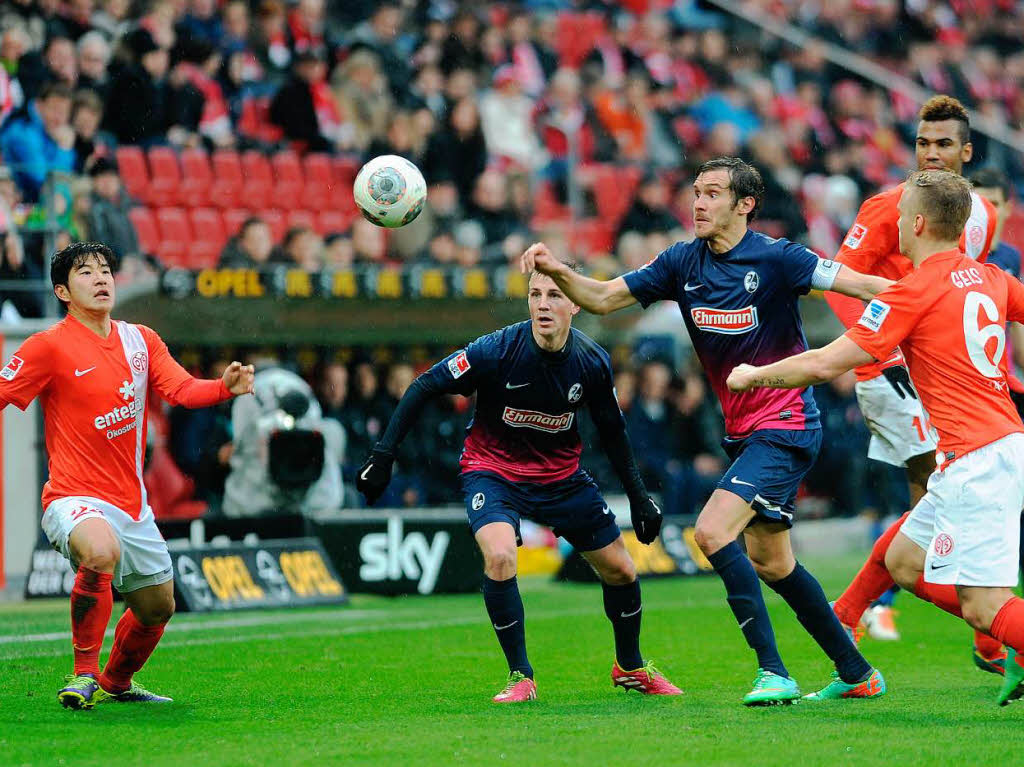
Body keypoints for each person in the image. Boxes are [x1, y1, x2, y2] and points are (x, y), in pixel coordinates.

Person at [521, 156, 890, 705]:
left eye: (713, 193)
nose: (698, 202)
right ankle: (857, 672)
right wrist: (555, 269)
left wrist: (926, 299)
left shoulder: (778, 257)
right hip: (745, 432)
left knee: (713, 531)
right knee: (773, 562)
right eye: (696, 191)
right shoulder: (680, 263)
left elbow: (860, 284)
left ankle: (774, 671)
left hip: (787, 421)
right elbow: (600, 297)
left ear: (745, 205)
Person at [727, 170, 1024, 707]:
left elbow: (824, 363)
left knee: (984, 608)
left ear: (915, 221)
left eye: (901, 213)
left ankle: (1011, 636)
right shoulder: (990, 278)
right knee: (904, 560)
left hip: (975, 460)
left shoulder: (912, 292)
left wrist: (752, 374)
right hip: (993, 447)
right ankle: (853, 620)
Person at [356, 267, 682, 703]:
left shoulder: (592, 362)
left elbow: (613, 432)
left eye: (553, 295)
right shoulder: (496, 349)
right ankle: (521, 676)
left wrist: (640, 497)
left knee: (622, 570)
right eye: (535, 295)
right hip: (493, 472)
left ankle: (629, 667)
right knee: (500, 556)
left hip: (562, 479)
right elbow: (426, 384)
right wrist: (383, 455)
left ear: (574, 303)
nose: (543, 304)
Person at [0, 242, 254, 709]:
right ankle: (83, 675)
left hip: (131, 505)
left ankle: (116, 681)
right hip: (72, 497)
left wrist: (223, 387)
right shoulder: (47, 346)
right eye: (85, 273)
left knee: (158, 606)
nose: (100, 279)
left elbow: (179, 388)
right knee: (100, 551)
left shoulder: (141, 339)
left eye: (105, 271)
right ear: (62, 291)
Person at [823, 96, 1001, 663]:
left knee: (942, 492)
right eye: (923, 143)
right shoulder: (886, 207)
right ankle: (983, 627)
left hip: (942, 372)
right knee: (940, 485)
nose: (931, 154)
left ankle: (856, 610)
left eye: (944, 143)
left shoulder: (982, 216)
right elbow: (836, 282)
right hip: (892, 370)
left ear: (967, 152)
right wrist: (877, 350)